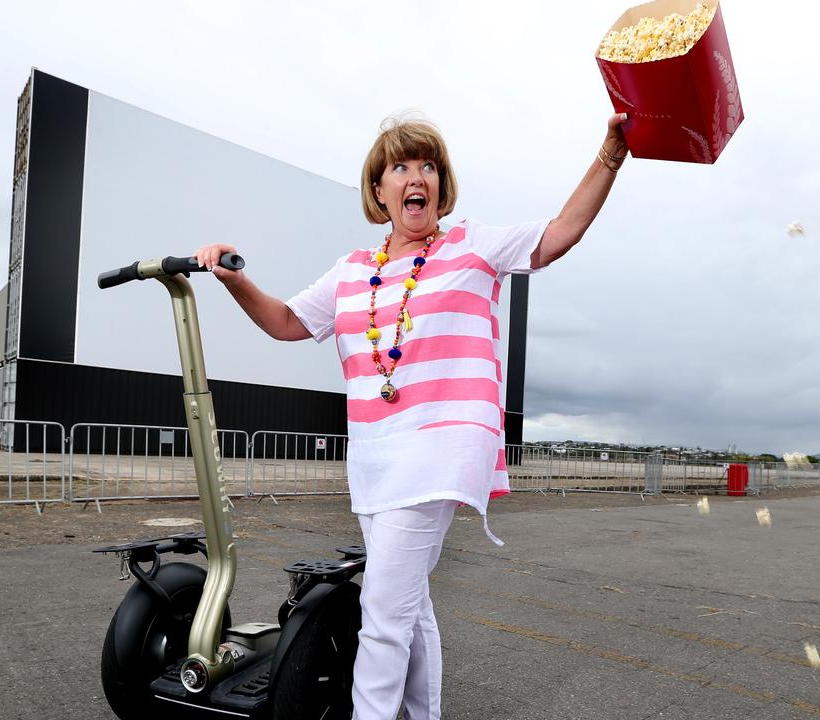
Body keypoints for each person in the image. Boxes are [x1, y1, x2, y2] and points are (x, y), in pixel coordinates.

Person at [194, 111, 629, 720]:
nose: (415, 177)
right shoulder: (352, 271)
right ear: (379, 189)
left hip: (442, 449)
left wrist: (611, 152)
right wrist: (232, 277)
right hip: (377, 456)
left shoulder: (471, 245)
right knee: (409, 605)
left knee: (382, 617)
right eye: (400, 167)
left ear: (440, 187)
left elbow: (560, 232)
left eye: (427, 166)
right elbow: (286, 322)